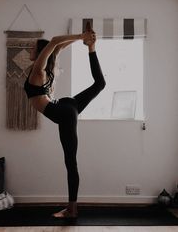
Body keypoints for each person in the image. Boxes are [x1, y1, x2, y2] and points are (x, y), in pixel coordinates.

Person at [24, 26, 106, 218]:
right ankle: (92, 48)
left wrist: (80, 36)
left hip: (63, 112)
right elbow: (57, 48)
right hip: (69, 105)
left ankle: (72, 209)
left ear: (40, 53)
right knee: (100, 84)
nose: (30, 51)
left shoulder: (38, 71)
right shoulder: (45, 68)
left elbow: (54, 43)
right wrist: (84, 41)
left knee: (71, 162)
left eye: (32, 48)